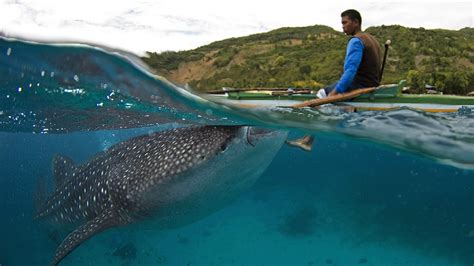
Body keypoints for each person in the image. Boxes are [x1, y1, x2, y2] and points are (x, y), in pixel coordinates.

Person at [286, 9, 381, 151]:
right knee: (329, 95)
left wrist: (335, 93)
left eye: (345, 22)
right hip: (372, 84)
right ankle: (344, 110)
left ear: (356, 22)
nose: (342, 26)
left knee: (322, 94)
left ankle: (307, 140)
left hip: (359, 84)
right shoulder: (372, 40)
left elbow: (350, 72)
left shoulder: (356, 41)